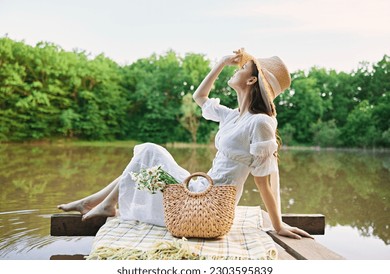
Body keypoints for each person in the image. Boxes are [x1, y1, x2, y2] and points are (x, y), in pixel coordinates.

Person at [58, 48, 313, 240]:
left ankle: (103, 204)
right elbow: (199, 96)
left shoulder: (260, 122)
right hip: (202, 187)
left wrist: (278, 225)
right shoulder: (233, 116)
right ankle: (100, 202)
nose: (237, 68)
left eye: (243, 68)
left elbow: (263, 180)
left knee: (149, 150)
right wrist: (221, 63)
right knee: (147, 157)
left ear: (252, 81)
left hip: (211, 206)